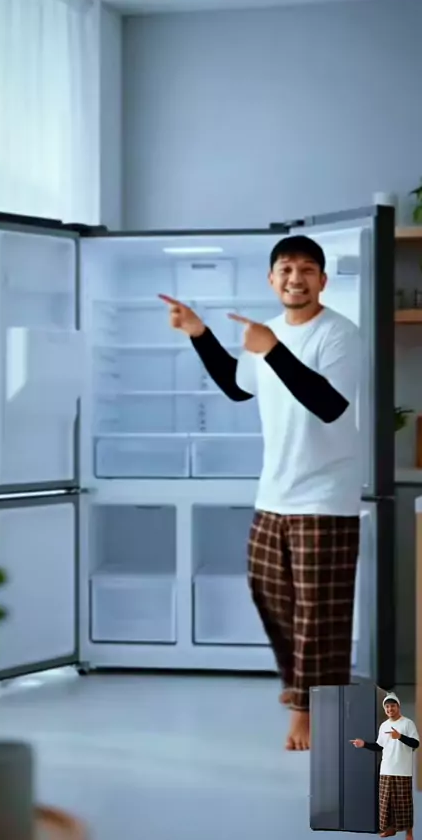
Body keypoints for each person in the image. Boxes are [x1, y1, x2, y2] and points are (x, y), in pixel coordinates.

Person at [159, 234, 361, 752]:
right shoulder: (267, 331)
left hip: (325, 496)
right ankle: (305, 687)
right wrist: (200, 334)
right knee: (270, 596)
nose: (296, 278)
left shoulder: (340, 334)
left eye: (307, 269)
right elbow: (237, 386)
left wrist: (272, 349)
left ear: (323, 280)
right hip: (274, 493)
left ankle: (309, 711)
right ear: (272, 280)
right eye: (286, 269)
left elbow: (330, 404)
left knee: (319, 611)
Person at [351, 692, 419, 839]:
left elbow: (416, 743)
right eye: (387, 707)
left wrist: (400, 737)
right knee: (386, 803)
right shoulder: (384, 726)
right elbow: (379, 746)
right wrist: (364, 744)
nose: (390, 709)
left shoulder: (408, 723)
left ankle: (409, 833)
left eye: (392, 706)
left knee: (404, 804)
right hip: (386, 769)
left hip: (403, 770)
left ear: (398, 706)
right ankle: (390, 829)